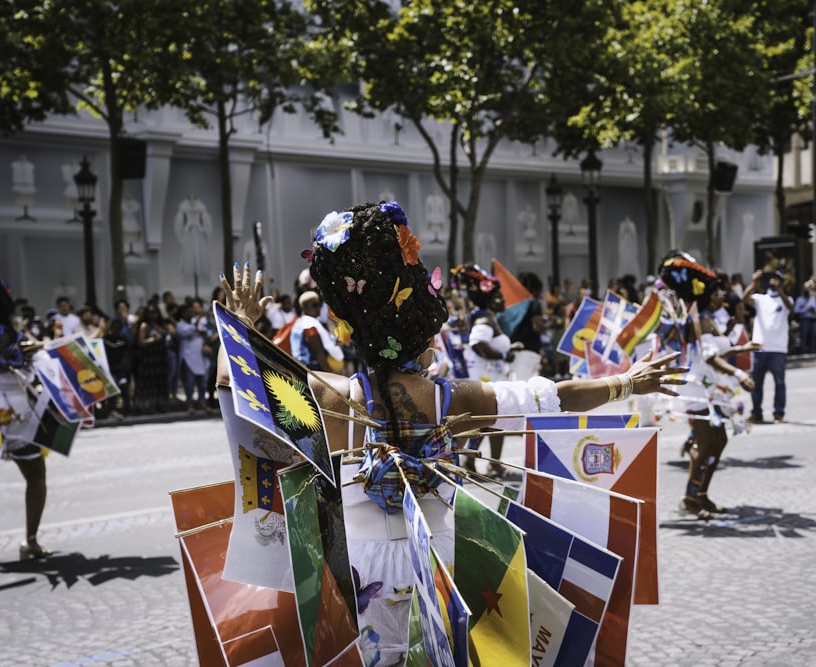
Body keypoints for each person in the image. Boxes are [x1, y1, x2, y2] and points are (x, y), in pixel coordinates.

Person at [218, 200, 684, 665]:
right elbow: (555, 396)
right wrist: (627, 382)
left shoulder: (330, 397)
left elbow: (232, 381)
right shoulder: (454, 399)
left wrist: (239, 323)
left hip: (361, 572)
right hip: (443, 561)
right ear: (421, 333)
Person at [0, 264, 51, 559]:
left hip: (10, 406)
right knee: (35, 474)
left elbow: (27, 355)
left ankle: (32, 541)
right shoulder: (8, 331)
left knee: (35, 473)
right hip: (3, 406)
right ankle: (31, 541)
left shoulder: (10, 334)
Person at [676, 284, 757, 519]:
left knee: (718, 441)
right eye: (717, 292)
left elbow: (717, 352)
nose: (721, 295)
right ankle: (689, 499)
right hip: (697, 391)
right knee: (705, 445)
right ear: (708, 298)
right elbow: (710, 357)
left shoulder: (708, 319)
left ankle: (700, 493)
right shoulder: (699, 319)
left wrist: (743, 347)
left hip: (710, 391)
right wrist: (738, 374)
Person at [452, 262, 522, 476]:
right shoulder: (483, 318)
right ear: (493, 298)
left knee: (492, 422)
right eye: (500, 296)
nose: (504, 300)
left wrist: (509, 348)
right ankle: (484, 462)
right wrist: (503, 354)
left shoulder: (486, 317)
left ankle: (480, 462)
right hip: (485, 378)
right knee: (494, 420)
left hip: (491, 376)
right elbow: (477, 344)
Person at [743, 269, 793, 423]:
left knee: (779, 383)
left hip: (778, 349)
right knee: (756, 383)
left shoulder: (787, 299)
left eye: (777, 280)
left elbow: (789, 306)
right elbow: (744, 298)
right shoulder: (760, 298)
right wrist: (753, 283)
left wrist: (779, 290)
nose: (773, 282)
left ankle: (779, 413)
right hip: (759, 347)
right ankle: (756, 413)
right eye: (772, 279)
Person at [289, 290, 344, 373]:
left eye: (319, 305)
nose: (318, 308)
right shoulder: (309, 323)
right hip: (312, 368)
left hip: (302, 368)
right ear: (304, 307)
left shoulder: (300, 322)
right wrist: (329, 375)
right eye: (314, 305)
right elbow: (317, 351)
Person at [508, 271, 547, 382]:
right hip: (529, 350)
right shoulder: (534, 303)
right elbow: (537, 327)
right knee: (524, 387)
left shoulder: (513, 306)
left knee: (515, 383)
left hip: (514, 349)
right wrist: (548, 324)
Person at [133, 306, 170, 414]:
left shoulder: (160, 325)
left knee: (160, 383)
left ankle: (160, 405)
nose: (153, 315)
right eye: (151, 313)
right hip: (149, 359)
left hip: (160, 358)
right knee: (149, 384)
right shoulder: (145, 326)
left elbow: (166, 336)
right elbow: (141, 342)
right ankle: (147, 406)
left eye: (155, 313)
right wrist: (153, 339)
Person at [175, 301, 211, 413]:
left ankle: (202, 403)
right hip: (188, 358)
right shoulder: (180, 325)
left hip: (200, 357)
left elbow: (208, 333)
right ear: (183, 314)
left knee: (202, 383)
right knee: (189, 383)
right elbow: (186, 333)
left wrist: (203, 331)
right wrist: (197, 326)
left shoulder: (198, 322)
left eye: (191, 311)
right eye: (188, 312)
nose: (191, 313)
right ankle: (189, 404)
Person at [793, 280, 816, 354]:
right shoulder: (800, 299)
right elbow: (796, 310)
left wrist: (815, 311)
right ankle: (803, 354)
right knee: (804, 338)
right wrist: (806, 309)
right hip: (804, 320)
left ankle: (813, 353)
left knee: (813, 338)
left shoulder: (813, 298)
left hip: (813, 319)